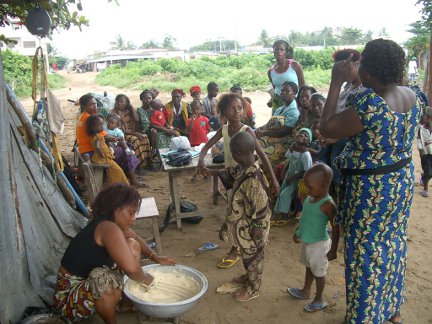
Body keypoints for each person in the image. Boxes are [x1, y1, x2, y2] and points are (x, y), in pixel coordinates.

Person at [319, 38, 421, 324]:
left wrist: (336, 82)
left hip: (370, 193)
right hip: (399, 185)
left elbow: (326, 127)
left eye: (361, 63)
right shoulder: (413, 97)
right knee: (393, 244)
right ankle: (392, 310)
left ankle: (364, 318)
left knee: (365, 255)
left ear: (370, 71)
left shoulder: (369, 104)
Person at [53, 183, 176, 323]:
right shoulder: (107, 228)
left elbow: (136, 238)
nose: (134, 218)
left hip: (88, 283)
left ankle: (125, 305)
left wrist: (155, 257)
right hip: (68, 299)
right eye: (131, 213)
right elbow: (132, 269)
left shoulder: (109, 224)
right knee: (106, 282)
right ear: (115, 209)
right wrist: (148, 280)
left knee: (132, 245)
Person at [196, 93, 279, 269]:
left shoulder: (246, 131)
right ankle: (240, 245)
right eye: (232, 108)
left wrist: (274, 180)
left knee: (243, 213)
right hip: (231, 178)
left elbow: (262, 155)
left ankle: (237, 249)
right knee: (235, 211)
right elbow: (206, 146)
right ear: (224, 111)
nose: (237, 112)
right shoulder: (224, 130)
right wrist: (201, 159)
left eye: (240, 108)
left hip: (248, 178)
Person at [203, 132, 271, 301]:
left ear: (238, 154)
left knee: (253, 258)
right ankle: (249, 277)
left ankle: (254, 288)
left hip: (254, 227)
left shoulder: (254, 178)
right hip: (245, 226)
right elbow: (230, 173)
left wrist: (256, 229)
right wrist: (214, 173)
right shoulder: (243, 168)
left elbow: (261, 208)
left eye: (232, 151)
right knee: (247, 255)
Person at [287, 163, 339, 313]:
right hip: (308, 242)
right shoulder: (310, 198)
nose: (307, 190)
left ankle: (319, 299)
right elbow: (306, 218)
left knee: (319, 273)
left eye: (310, 187)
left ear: (324, 185)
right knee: (308, 267)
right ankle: (305, 291)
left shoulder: (328, 204)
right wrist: (298, 232)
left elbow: (336, 228)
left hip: (319, 244)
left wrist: (333, 249)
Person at [255, 81, 300, 165]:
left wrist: (265, 132)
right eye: (282, 91)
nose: (283, 93)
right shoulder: (281, 108)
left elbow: (286, 130)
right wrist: (260, 129)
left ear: (294, 93)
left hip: (283, 144)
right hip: (273, 139)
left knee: (260, 157)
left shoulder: (294, 110)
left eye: (287, 91)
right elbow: (270, 124)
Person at [273, 128, 313, 221]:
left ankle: (283, 215)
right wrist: (285, 172)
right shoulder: (293, 149)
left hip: (299, 180)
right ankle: (278, 212)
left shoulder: (305, 155)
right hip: (289, 175)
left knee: (285, 194)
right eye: (301, 133)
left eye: (306, 135)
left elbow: (306, 171)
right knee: (281, 191)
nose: (302, 135)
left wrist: (292, 177)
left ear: (308, 142)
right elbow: (289, 161)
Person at [112, 94, 152, 168]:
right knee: (134, 140)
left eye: (122, 101)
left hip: (132, 132)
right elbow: (120, 130)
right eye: (117, 101)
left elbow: (136, 119)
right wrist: (136, 134)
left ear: (127, 103)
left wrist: (131, 107)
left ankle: (149, 161)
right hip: (122, 134)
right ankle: (137, 165)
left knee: (145, 137)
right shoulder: (114, 113)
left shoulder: (129, 111)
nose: (119, 103)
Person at [87, 115, 129, 185]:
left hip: (105, 156)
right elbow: (97, 147)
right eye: (100, 125)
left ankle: (117, 183)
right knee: (118, 170)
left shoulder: (95, 136)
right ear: (94, 127)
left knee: (114, 171)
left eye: (102, 125)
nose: (102, 127)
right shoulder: (98, 136)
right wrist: (102, 155)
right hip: (104, 158)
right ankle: (121, 184)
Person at [268, 39, 305, 114]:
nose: (279, 51)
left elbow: (302, 85)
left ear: (286, 52)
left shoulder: (294, 65)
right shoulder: (270, 71)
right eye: (276, 49)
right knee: (276, 123)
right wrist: (271, 100)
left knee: (293, 123)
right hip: (277, 102)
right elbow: (276, 89)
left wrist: (300, 102)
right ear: (273, 51)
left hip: (294, 101)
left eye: (282, 49)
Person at [105, 113, 141, 186]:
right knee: (128, 155)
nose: (109, 124)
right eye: (109, 122)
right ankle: (133, 179)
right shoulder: (104, 129)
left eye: (112, 123)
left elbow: (121, 138)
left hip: (117, 144)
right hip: (110, 147)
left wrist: (116, 139)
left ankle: (127, 150)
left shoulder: (117, 131)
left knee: (127, 152)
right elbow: (105, 138)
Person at [417, 106, 432, 197]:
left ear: (429, 117)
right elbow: (419, 141)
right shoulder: (421, 129)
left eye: (423, 117)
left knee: (429, 173)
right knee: (428, 172)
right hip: (425, 154)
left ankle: (423, 178)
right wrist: (420, 151)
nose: (421, 118)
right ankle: (425, 189)